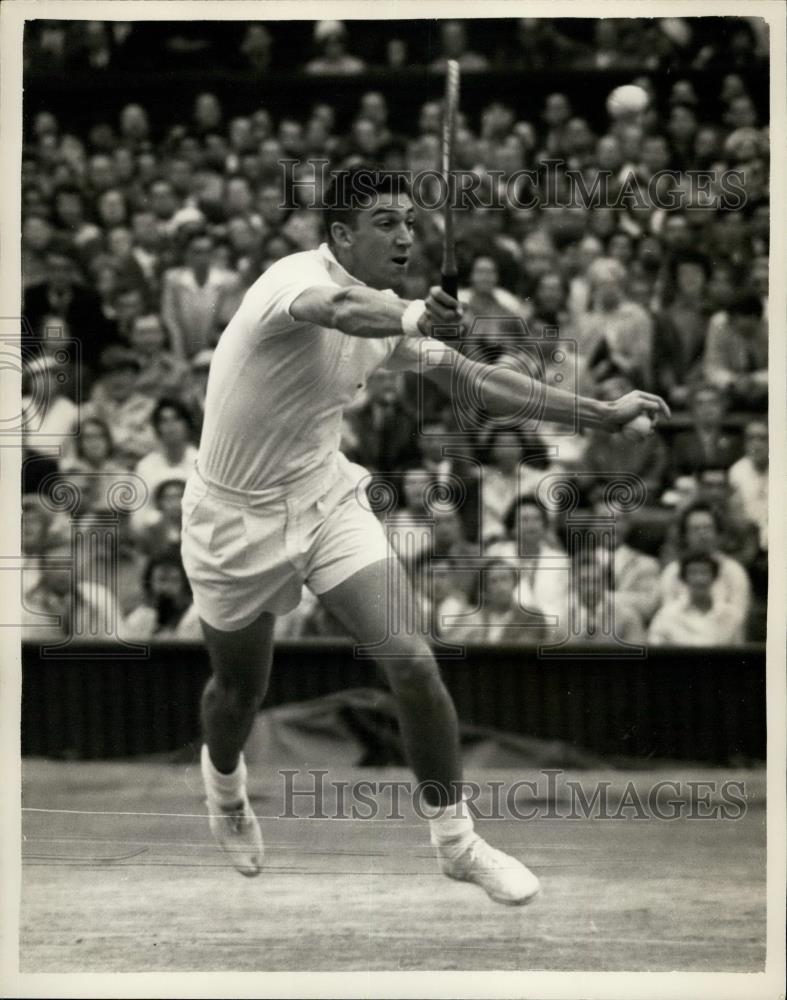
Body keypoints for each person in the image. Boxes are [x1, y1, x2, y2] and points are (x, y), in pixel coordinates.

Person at [181, 167, 669, 904]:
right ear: (341, 235)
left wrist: (598, 415)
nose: (405, 234)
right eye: (384, 221)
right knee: (237, 692)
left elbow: (481, 382)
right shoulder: (291, 281)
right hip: (228, 519)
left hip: (323, 499)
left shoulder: (396, 317)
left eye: (410, 220)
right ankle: (223, 789)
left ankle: (457, 843)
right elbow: (340, 308)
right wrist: (410, 318)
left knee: (410, 657)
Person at [648, 553, 743, 646]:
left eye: (704, 572)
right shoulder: (666, 615)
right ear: (684, 578)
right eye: (693, 573)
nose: (699, 579)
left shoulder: (731, 616)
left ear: (714, 577)